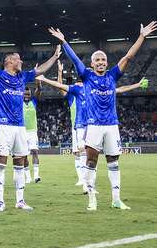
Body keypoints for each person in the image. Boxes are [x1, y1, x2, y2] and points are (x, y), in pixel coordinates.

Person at [48, 21, 157, 210]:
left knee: (113, 161)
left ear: (107, 63)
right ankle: (92, 198)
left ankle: (116, 199)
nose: (100, 62)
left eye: (103, 60)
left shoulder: (112, 76)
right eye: (97, 60)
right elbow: (74, 60)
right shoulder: (87, 77)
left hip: (112, 125)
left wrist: (142, 37)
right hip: (93, 126)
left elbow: (129, 57)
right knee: (91, 161)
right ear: (92, 64)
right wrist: (64, 42)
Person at [0, 22, 61, 212]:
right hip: (4, 126)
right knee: (1, 163)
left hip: (20, 127)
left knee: (20, 162)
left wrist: (54, 56)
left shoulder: (22, 77)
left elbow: (40, 70)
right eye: (18, 59)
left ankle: (20, 200)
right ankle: (0, 200)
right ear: (9, 61)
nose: (21, 62)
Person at [23, 79, 42, 184]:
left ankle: (36, 176)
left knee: (35, 151)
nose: (27, 95)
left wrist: (38, 82)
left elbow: (39, 89)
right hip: (22, 131)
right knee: (24, 155)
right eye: (25, 93)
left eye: (28, 93)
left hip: (32, 132)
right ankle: (27, 177)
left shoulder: (33, 102)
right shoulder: (19, 103)